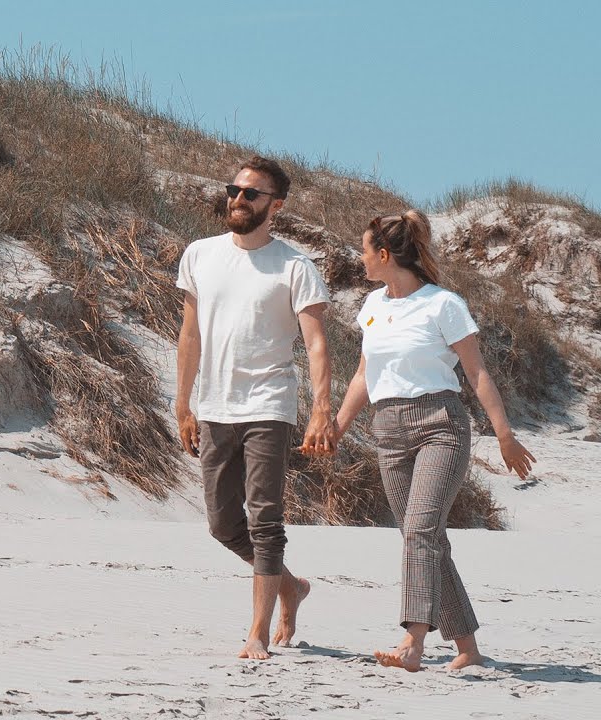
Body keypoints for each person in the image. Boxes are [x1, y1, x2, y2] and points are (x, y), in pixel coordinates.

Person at [333, 211, 536, 672]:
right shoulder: (371, 305)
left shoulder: (443, 304)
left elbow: (478, 373)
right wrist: (336, 427)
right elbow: (365, 376)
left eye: (364, 250)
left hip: (439, 425)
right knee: (424, 538)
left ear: (384, 255)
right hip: (388, 430)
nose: (360, 258)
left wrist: (504, 435)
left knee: (420, 531)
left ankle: (413, 640)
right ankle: (467, 647)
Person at [175, 155, 336, 660]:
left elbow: (316, 343)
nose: (238, 200)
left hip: (269, 404)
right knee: (223, 524)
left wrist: (321, 407)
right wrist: (182, 402)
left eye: (251, 194)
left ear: (276, 205)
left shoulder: (295, 267)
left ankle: (258, 632)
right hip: (215, 404)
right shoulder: (200, 254)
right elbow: (190, 334)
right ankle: (290, 585)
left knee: (265, 521)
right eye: (234, 190)